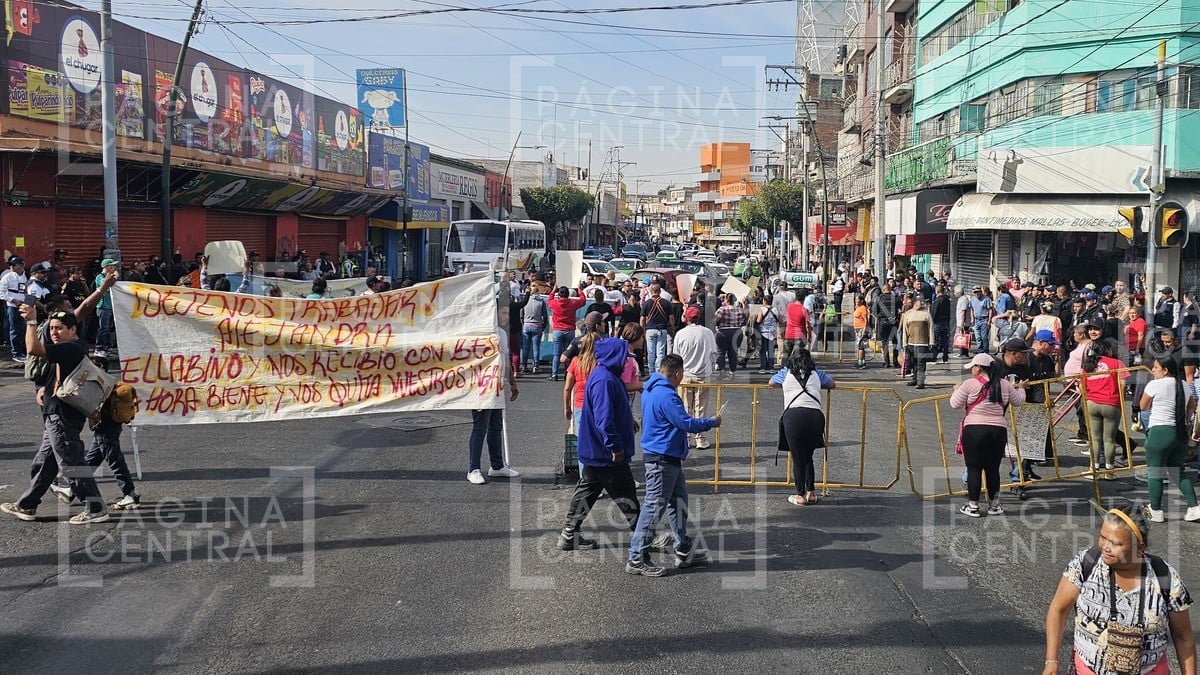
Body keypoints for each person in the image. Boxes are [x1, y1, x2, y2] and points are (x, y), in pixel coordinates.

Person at [1043, 508, 1196, 675]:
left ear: (1139, 548)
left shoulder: (1164, 577)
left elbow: (1183, 637)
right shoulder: (1085, 564)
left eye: (1116, 543)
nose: (1106, 548)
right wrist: (1051, 661)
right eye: (1103, 537)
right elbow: (1058, 610)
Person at [0, 307, 110, 523]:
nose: (54, 332)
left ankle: (95, 507)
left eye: (59, 328)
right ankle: (27, 505)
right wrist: (45, 389)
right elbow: (59, 376)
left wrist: (32, 322)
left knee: (70, 461)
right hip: (55, 413)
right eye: (51, 328)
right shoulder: (66, 349)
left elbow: (32, 349)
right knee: (44, 463)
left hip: (63, 416)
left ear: (73, 330)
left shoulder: (71, 348)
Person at [626, 353, 722, 577]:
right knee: (654, 508)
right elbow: (685, 422)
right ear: (678, 374)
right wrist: (712, 422)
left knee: (678, 504)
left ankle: (683, 549)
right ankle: (636, 557)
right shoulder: (667, 396)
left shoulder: (650, 388)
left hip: (664, 456)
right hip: (663, 458)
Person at [557, 337, 641, 551]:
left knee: (588, 490)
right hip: (604, 451)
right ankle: (643, 535)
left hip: (595, 449)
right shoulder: (605, 379)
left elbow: (611, 409)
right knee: (626, 492)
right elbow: (604, 418)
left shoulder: (606, 376)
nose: (626, 361)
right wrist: (614, 446)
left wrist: (628, 420)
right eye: (624, 357)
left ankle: (569, 533)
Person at [49, 349, 140, 510]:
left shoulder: (101, 383)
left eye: (96, 364)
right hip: (104, 430)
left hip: (106, 429)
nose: (92, 367)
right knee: (91, 460)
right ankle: (72, 489)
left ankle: (130, 493)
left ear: (102, 367)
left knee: (115, 461)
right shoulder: (106, 382)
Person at [951, 353, 1026, 518]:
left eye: (973, 367)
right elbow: (1018, 401)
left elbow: (955, 404)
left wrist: (956, 391)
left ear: (979, 368)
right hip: (997, 431)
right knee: (993, 469)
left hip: (974, 429)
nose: (972, 370)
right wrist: (1021, 388)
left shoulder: (970, 384)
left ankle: (973, 506)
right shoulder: (1004, 384)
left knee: (974, 469)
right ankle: (994, 506)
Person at [771, 346, 835, 506]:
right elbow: (832, 384)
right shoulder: (816, 372)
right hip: (815, 416)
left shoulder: (786, 372)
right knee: (808, 456)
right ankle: (811, 492)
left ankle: (799, 495)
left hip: (794, 417)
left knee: (798, 458)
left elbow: (771, 382)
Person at [466, 300, 521, 485]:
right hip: (480, 387)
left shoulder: (502, 334)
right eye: (503, 313)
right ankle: (473, 468)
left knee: (496, 425)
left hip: (497, 386)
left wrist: (512, 382)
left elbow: (505, 358)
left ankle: (496, 466)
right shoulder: (477, 334)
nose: (506, 317)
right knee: (480, 426)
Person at [1139, 356, 1200, 522]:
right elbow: (1192, 406)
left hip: (1160, 430)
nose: (1153, 370)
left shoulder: (1155, 384)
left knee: (1155, 471)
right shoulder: (1183, 385)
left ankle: (1156, 510)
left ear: (1165, 370)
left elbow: (1143, 406)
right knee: (1177, 470)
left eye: (1156, 368)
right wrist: (1186, 421)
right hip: (1180, 432)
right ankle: (1194, 506)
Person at [672, 306, 718, 449]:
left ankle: (686, 437)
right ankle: (700, 438)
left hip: (685, 375)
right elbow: (714, 353)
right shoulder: (707, 332)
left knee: (685, 407)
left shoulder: (680, 334)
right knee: (701, 407)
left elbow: (676, 355)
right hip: (703, 374)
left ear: (686, 317)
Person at [1081, 340, 1129, 479]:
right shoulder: (1116, 363)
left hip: (1092, 401)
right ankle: (1109, 471)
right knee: (1109, 439)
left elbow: (1082, 385)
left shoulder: (1088, 365)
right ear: (1107, 350)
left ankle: (1094, 470)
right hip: (1111, 402)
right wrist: (1121, 401)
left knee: (1095, 438)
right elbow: (1123, 385)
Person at [547, 287, 587, 382]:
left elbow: (549, 299)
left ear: (559, 294)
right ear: (568, 294)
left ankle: (554, 374)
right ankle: (567, 373)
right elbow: (583, 300)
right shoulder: (572, 303)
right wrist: (579, 290)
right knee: (569, 353)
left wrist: (553, 290)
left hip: (557, 330)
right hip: (569, 330)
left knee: (557, 354)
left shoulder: (554, 303)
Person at [640, 282, 675, 374]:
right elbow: (671, 318)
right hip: (662, 329)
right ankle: (658, 370)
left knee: (650, 352)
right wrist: (673, 329)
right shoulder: (666, 303)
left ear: (651, 291)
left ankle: (651, 372)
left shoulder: (646, 303)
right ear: (659, 291)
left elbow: (642, 319)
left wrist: (641, 330)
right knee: (660, 352)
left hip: (650, 329)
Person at [901, 295, 934, 389]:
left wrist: (931, 341)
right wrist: (904, 343)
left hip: (922, 343)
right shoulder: (908, 314)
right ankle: (915, 378)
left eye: (921, 302)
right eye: (919, 301)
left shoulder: (926, 314)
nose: (921, 303)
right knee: (913, 362)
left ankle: (920, 381)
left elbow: (931, 328)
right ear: (915, 302)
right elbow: (905, 330)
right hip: (911, 343)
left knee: (921, 363)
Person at [1, 256, 29, 361]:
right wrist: (13, 300)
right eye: (10, 265)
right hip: (12, 307)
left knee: (23, 329)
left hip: (23, 306)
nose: (11, 267)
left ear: (21, 265)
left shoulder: (24, 276)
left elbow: (24, 291)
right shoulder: (7, 277)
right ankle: (16, 353)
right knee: (14, 330)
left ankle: (22, 351)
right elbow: (1, 293)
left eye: (14, 265)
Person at [713, 293, 747, 378]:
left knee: (720, 352)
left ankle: (722, 371)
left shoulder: (722, 309)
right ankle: (732, 372)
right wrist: (744, 304)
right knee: (733, 353)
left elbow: (715, 320)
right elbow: (746, 316)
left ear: (726, 300)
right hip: (736, 331)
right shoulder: (739, 310)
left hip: (723, 332)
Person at [930, 284, 954, 364]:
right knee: (945, 341)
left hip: (937, 323)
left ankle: (934, 358)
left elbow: (934, 312)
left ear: (937, 291)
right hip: (946, 323)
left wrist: (931, 321)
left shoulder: (937, 301)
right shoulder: (948, 300)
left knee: (936, 341)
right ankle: (945, 358)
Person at [756, 299, 780, 374]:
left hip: (763, 332)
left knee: (763, 350)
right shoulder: (775, 309)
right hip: (772, 333)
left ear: (764, 301)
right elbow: (779, 319)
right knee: (771, 351)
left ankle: (763, 367)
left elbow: (758, 320)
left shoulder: (762, 309)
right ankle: (771, 367)